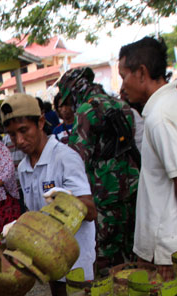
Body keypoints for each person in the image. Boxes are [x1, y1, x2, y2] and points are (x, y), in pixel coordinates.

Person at [118, 37, 177, 278]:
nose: (122, 86)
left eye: (123, 75)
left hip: (166, 245)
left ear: (141, 73)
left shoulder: (160, 116)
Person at [1, 93, 98, 296]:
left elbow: (91, 212)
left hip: (76, 262)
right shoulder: (24, 167)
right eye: (12, 135)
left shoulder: (64, 158)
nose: (19, 141)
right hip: (49, 261)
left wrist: (67, 200)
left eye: (24, 130)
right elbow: (36, 216)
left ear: (41, 122)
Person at [56, 66, 141, 266]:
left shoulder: (86, 111)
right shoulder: (122, 105)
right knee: (132, 252)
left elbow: (76, 159)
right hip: (132, 189)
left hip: (104, 195)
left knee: (104, 258)